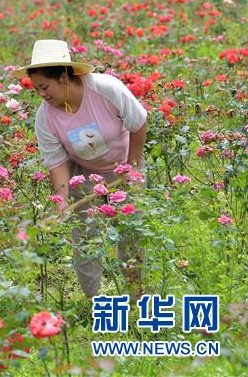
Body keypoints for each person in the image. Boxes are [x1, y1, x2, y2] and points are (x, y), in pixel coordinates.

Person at [12, 39, 147, 298]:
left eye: (44, 86)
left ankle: (135, 297)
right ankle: (94, 301)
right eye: (36, 89)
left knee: (130, 236)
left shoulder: (106, 88)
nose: (41, 94)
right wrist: (61, 202)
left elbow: (138, 122)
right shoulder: (46, 117)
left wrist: (133, 168)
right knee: (85, 242)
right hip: (84, 175)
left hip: (125, 168)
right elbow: (57, 162)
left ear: (63, 76)